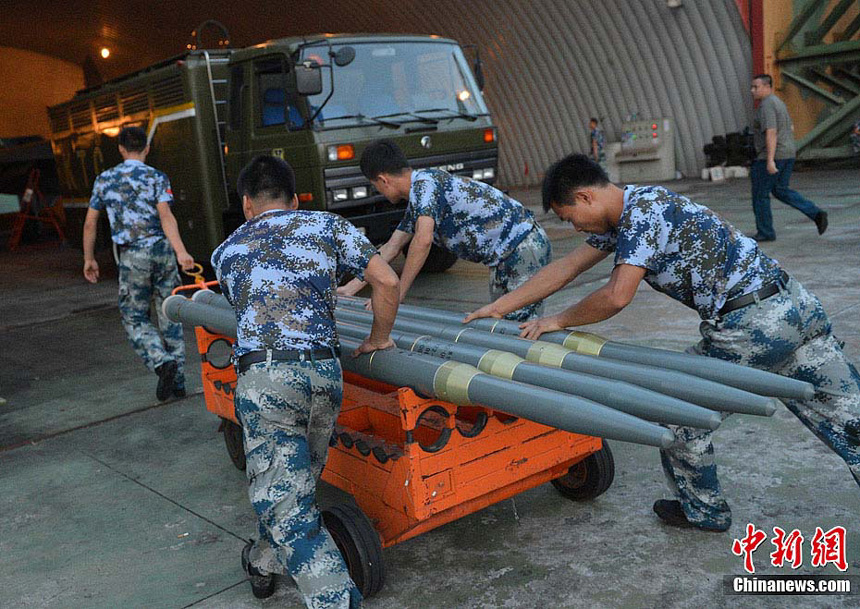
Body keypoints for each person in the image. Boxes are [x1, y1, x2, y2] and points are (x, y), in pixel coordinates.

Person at [465, 154, 860, 532]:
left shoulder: (642, 214)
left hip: (751, 327)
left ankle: (704, 512)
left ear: (586, 196)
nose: (576, 228)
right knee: (849, 417)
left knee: (677, 413)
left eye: (572, 218)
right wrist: (500, 306)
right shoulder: (633, 211)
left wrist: (557, 319)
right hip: (796, 306)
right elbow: (566, 267)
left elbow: (617, 295)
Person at [211, 155, 399, 606]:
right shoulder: (327, 226)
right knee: (293, 489)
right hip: (324, 375)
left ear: (247, 206)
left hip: (268, 380)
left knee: (291, 509)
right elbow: (387, 281)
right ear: (295, 200)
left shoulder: (227, 251)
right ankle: (262, 560)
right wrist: (379, 338)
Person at [338, 139, 551, 321]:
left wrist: (398, 292)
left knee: (521, 327)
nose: (379, 192)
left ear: (383, 180)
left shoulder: (425, 185)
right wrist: (352, 287)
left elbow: (422, 241)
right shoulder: (420, 197)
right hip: (506, 256)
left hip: (523, 247)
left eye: (375, 185)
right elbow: (392, 247)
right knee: (501, 322)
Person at [83, 126, 194, 401]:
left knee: (134, 316)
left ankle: (160, 360)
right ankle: (178, 380)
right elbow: (166, 216)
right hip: (163, 251)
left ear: (121, 148)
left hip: (133, 257)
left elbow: (90, 223)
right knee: (170, 312)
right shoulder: (157, 176)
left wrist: (89, 258)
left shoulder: (104, 180)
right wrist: (181, 252)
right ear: (146, 148)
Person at [749, 74, 828, 242]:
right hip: (787, 154)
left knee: (760, 194)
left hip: (772, 156)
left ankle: (765, 232)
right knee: (781, 190)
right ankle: (816, 213)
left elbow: (771, 132)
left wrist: (770, 160)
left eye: (756, 87)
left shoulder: (767, 105)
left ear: (767, 86)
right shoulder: (778, 103)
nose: (752, 90)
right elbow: (789, 127)